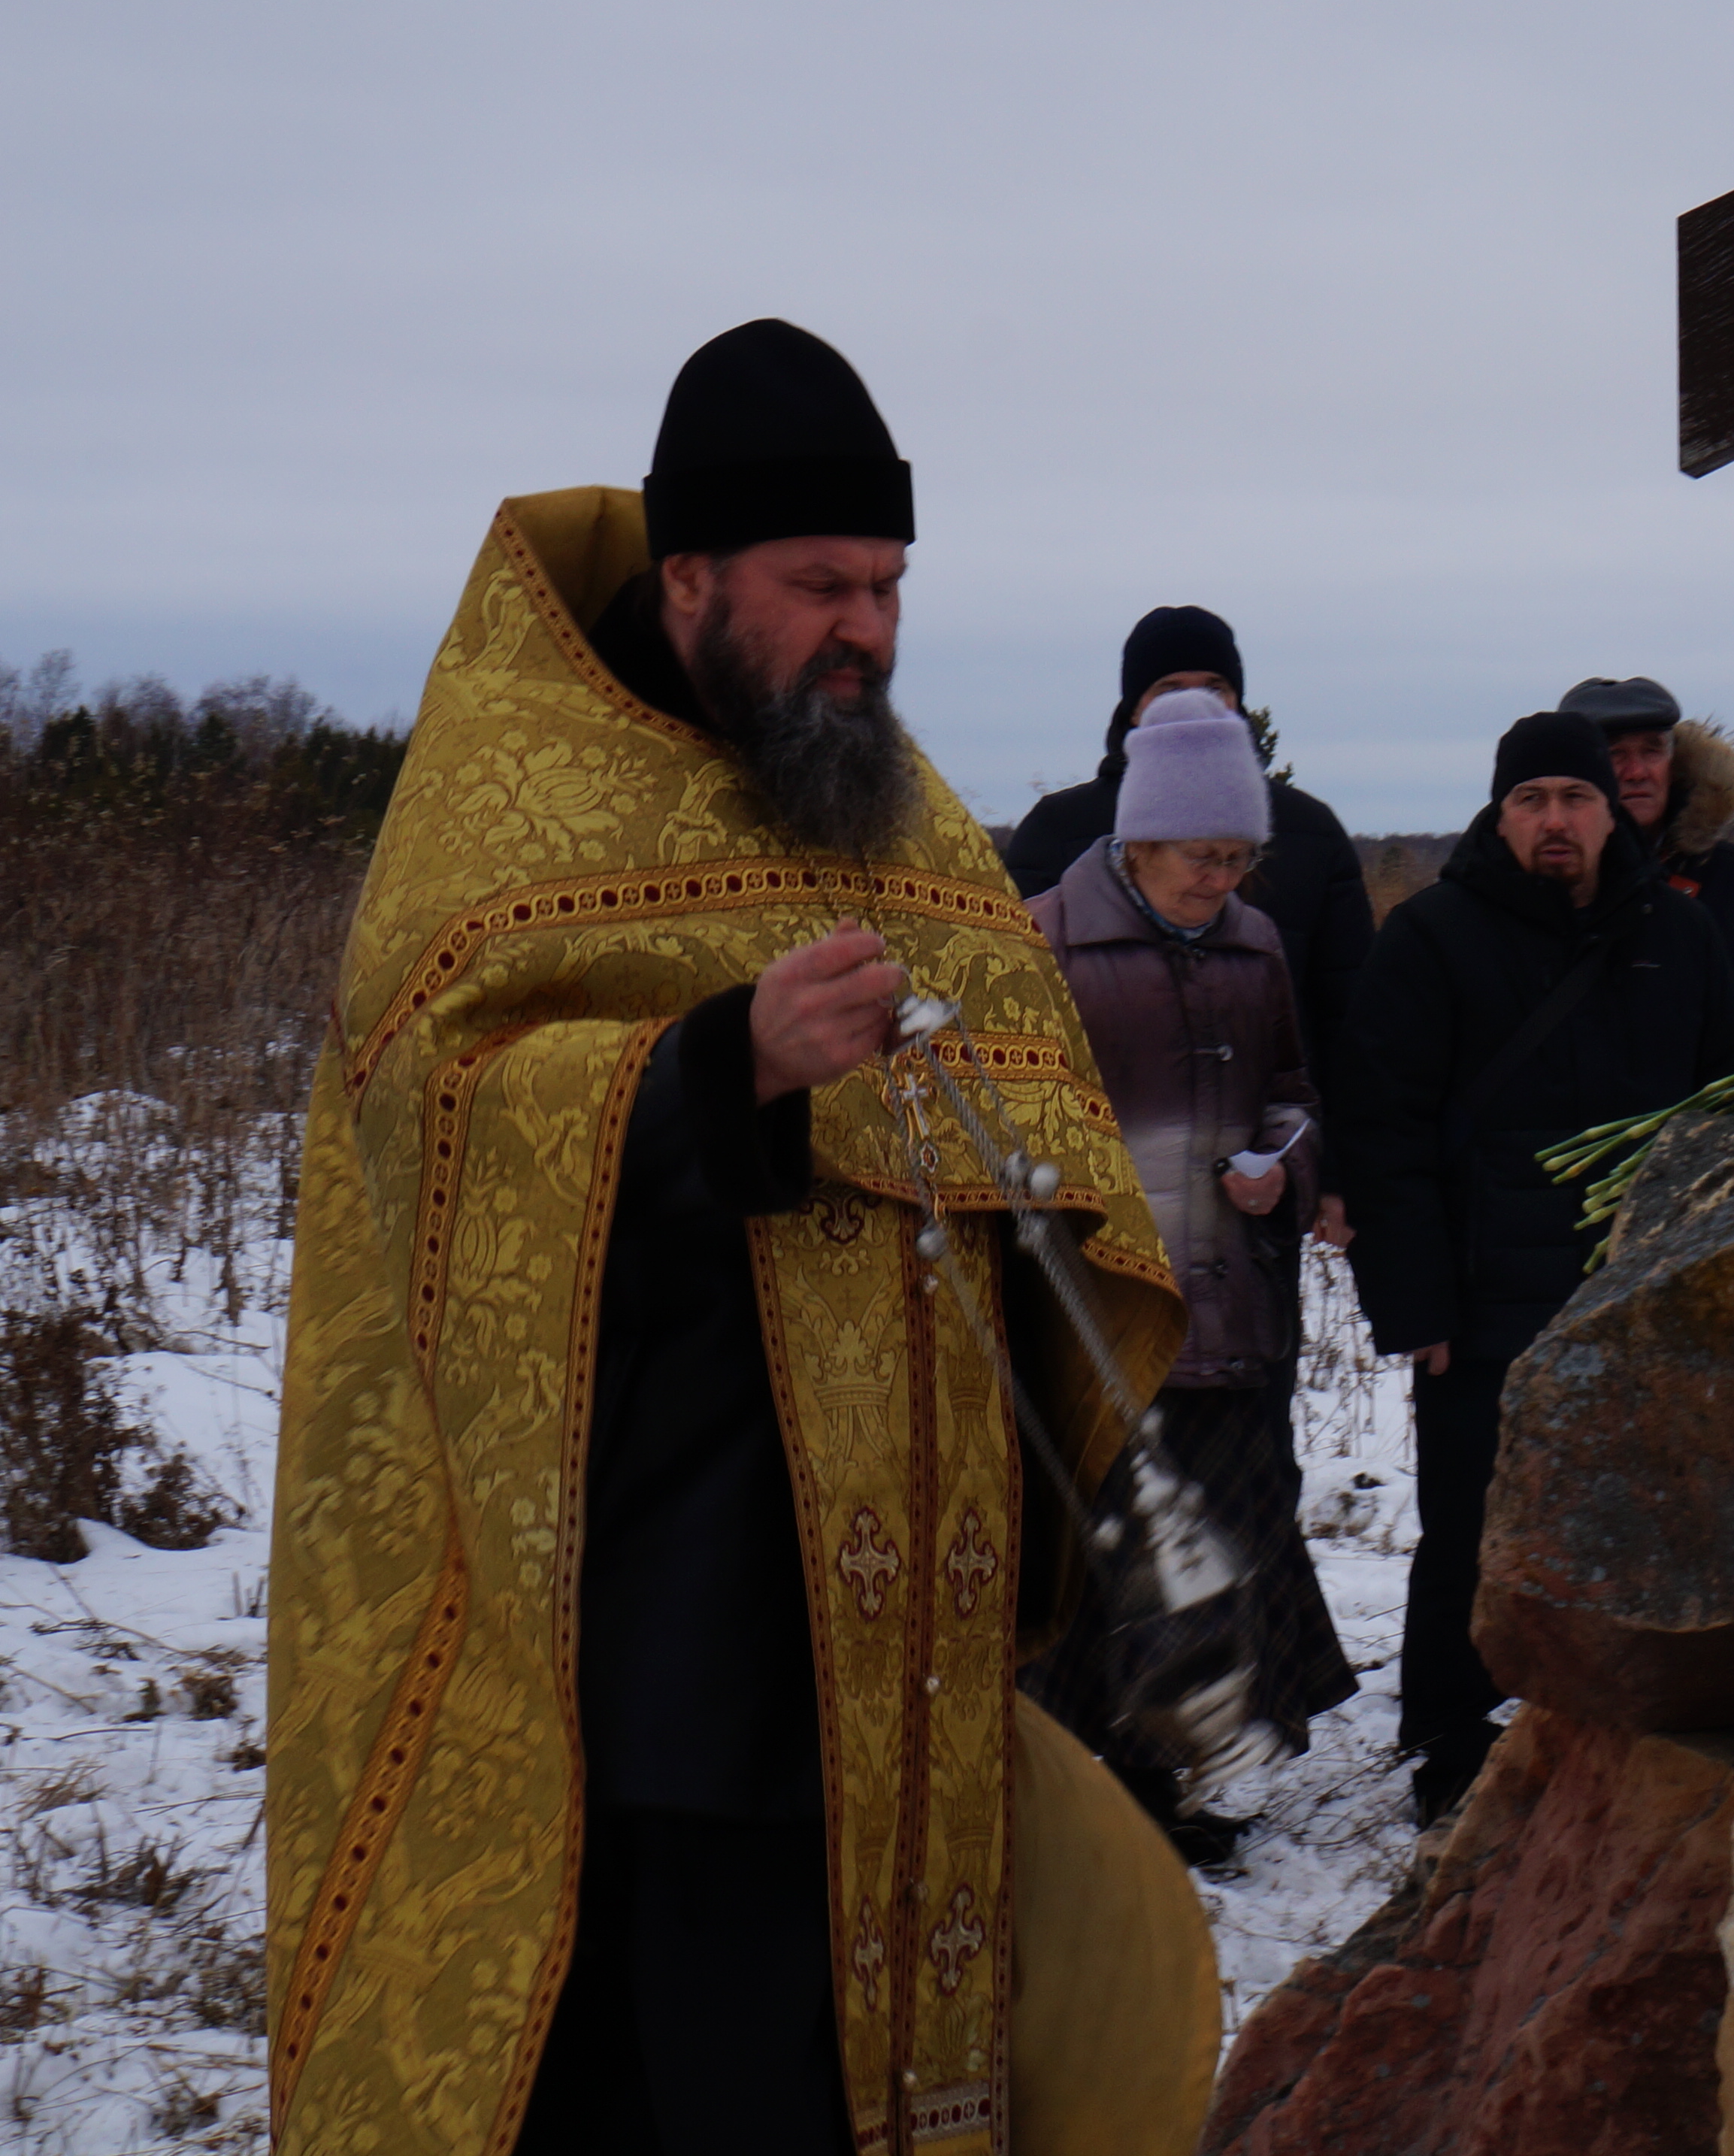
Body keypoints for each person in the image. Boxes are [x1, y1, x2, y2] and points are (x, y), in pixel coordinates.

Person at [267, 322, 1205, 2154]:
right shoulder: (514, 791)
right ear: (692, 574)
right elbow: (425, 1118)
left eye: (889, 583)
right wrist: (720, 1067)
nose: (866, 627)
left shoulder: (888, 797)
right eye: (820, 584)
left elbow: (1022, 1073)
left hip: (900, 1638)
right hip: (656, 1645)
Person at [1347, 710, 1734, 1818]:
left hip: (1639, 1299)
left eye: (1573, 799)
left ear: (1611, 812)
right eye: (1531, 802)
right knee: (1475, 1530)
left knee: (1634, 1517)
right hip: (1483, 1304)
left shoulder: (1682, 939)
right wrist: (1414, 1304)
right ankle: (1450, 1741)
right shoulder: (1430, 938)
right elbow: (1383, 1134)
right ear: (1501, 814)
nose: (1555, 821)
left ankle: (1607, 1721)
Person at [1020, 689, 1360, 1864]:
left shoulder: (1256, 948)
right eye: (1204, 856)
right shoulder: (1042, 942)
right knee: (1111, 1556)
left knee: (1219, 1549)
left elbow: (1294, 1092)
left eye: (1239, 858)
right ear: (1142, 839)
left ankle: (1195, 1786)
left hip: (1231, 1305)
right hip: (1100, 1310)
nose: (1222, 879)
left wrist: (1286, 1159)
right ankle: (1095, 1795)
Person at [1006, 605, 1380, 1245]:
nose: (1194, 704)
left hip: (1250, 1201)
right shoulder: (1059, 833)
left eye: (1214, 688)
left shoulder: (1306, 833)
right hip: (1094, 1212)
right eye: (1167, 689)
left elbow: (1355, 1026)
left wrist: (1331, 1172)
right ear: (1132, 709)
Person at [1560, 674, 1734, 1052]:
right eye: (1614, 752)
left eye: (1652, 750)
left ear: (1676, 763)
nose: (1636, 771)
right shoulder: (1547, 887)